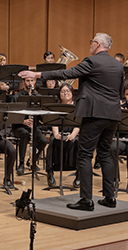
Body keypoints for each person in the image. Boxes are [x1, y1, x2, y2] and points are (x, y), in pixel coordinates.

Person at [19, 33, 124, 211]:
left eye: (92, 42)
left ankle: (86, 200)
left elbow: (66, 73)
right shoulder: (118, 65)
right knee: (105, 153)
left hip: (94, 114)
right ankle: (110, 197)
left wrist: (37, 74)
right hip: (113, 115)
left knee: (84, 154)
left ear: (97, 44)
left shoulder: (92, 61)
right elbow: (120, 92)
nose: (90, 45)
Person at [11, 76, 48, 175]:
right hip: (19, 126)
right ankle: (21, 164)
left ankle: (32, 161)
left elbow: (41, 116)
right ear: (23, 82)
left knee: (43, 141)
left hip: (33, 126)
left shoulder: (38, 96)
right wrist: (23, 121)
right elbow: (12, 115)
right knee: (24, 134)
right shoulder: (16, 97)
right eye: (27, 81)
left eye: (32, 80)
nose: (30, 83)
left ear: (35, 81)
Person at [45, 83, 80, 188]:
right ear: (59, 94)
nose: (65, 93)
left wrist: (73, 135)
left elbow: (78, 123)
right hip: (59, 132)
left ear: (72, 93)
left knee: (78, 143)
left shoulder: (77, 106)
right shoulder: (56, 106)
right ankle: (50, 173)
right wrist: (56, 133)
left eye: (68, 91)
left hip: (73, 133)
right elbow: (54, 122)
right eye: (63, 91)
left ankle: (79, 175)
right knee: (51, 142)